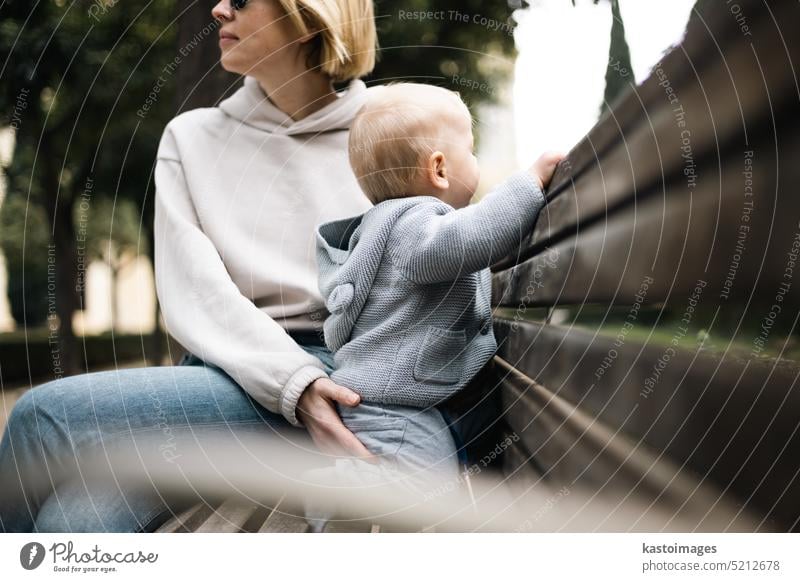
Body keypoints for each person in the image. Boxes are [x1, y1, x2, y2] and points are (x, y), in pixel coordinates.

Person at [0, 0, 386, 532]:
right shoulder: (192, 138)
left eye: (243, 0)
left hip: (348, 385)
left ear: (308, 15)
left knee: (39, 418)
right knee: (74, 524)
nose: (219, 9)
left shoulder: (392, 128)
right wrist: (293, 385)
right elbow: (197, 291)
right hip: (229, 379)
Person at [303, 83, 563, 527]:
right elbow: (471, 237)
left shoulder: (387, 228)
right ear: (439, 168)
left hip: (387, 403)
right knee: (426, 497)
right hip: (395, 412)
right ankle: (333, 494)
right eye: (472, 150)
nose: (476, 162)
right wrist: (529, 183)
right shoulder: (413, 224)